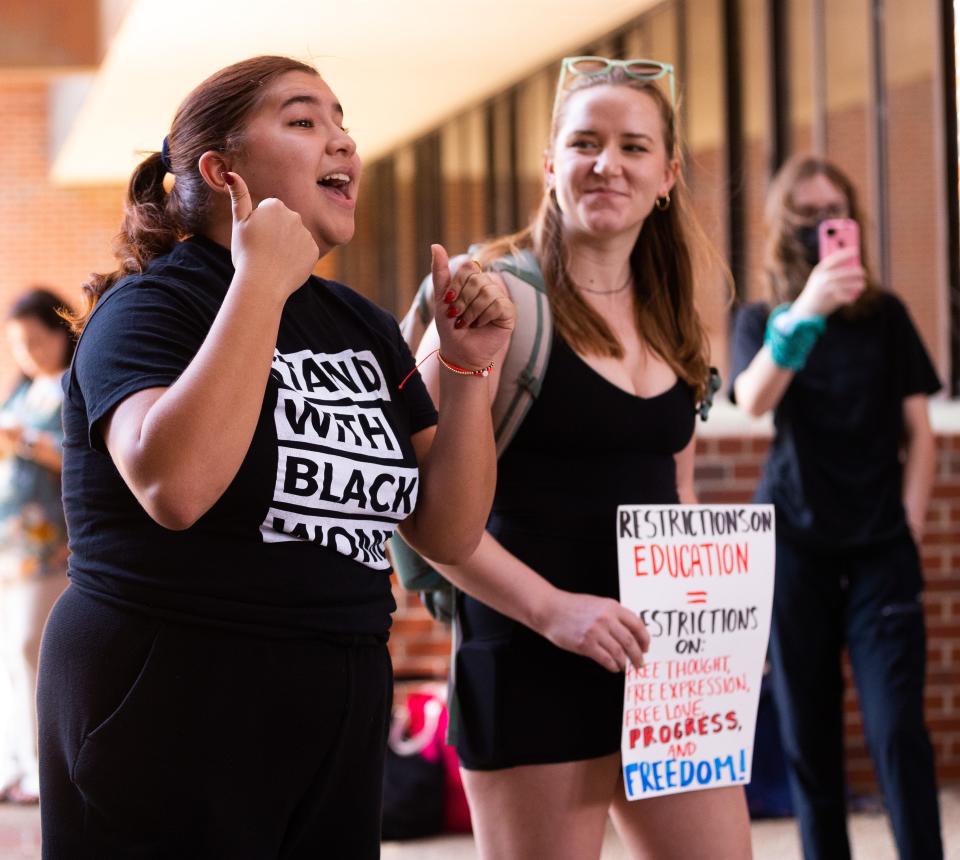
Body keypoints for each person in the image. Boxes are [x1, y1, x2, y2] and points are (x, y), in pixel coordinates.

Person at [37, 55, 514, 858]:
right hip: (169, 698)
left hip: (335, 699)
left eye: (343, 124)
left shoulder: (358, 323)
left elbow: (449, 531)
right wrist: (257, 281)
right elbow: (174, 484)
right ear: (223, 171)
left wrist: (466, 369)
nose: (344, 145)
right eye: (304, 121)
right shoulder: (150, 303)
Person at [415, 57, 751, 860]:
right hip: (528, 656)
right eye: (586, 142)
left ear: (667, 175)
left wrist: (717, 620)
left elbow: (672, 484)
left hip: (660, 664)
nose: (609, 164)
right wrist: (556, 610)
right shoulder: (491, 298)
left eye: (635, 147)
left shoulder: (675, 317)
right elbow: (423, 509)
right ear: (551, 165)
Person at [729, 154, 943, 859]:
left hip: (882, 544)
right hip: (795, 544)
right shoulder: (765, 317)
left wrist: (909, 522)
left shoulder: (886, 318)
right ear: (784, 228)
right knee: (809, 735)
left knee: (895, 730)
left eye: (836, 211)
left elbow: (921, 432)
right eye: (809, 214)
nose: (825, 224)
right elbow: (753, 400)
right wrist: (810, 310)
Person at [0, 289, 73, 805]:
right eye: (17, 344)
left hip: (53, 545)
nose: (26, 352)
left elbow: (77, 458)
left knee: (34, 647)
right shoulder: (21, 392)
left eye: (34, 340)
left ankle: (44, 768)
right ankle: (18, 761)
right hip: (12, 542)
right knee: (10, 654)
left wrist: (21, 439)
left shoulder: (72, 386)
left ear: (59, 332)